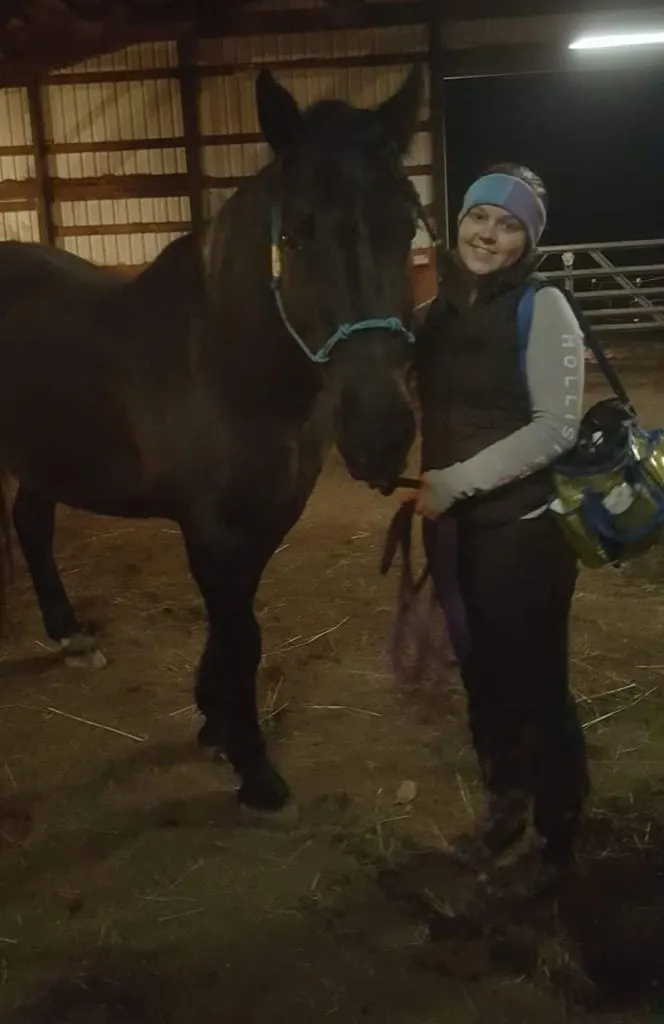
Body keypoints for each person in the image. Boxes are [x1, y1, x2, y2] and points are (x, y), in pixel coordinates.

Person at [408, 162, 589, 896]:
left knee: (536, 684)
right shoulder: (436, 315)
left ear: (527, 240)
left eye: (509, 225)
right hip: (453, 535)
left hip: (522, 534)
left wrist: (456, 482)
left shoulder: (543, 309)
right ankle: (504, 805)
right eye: (481, 217)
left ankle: (557, 830)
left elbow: (556, 427)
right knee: (482, 678)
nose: (488, 234)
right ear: (460, 221)